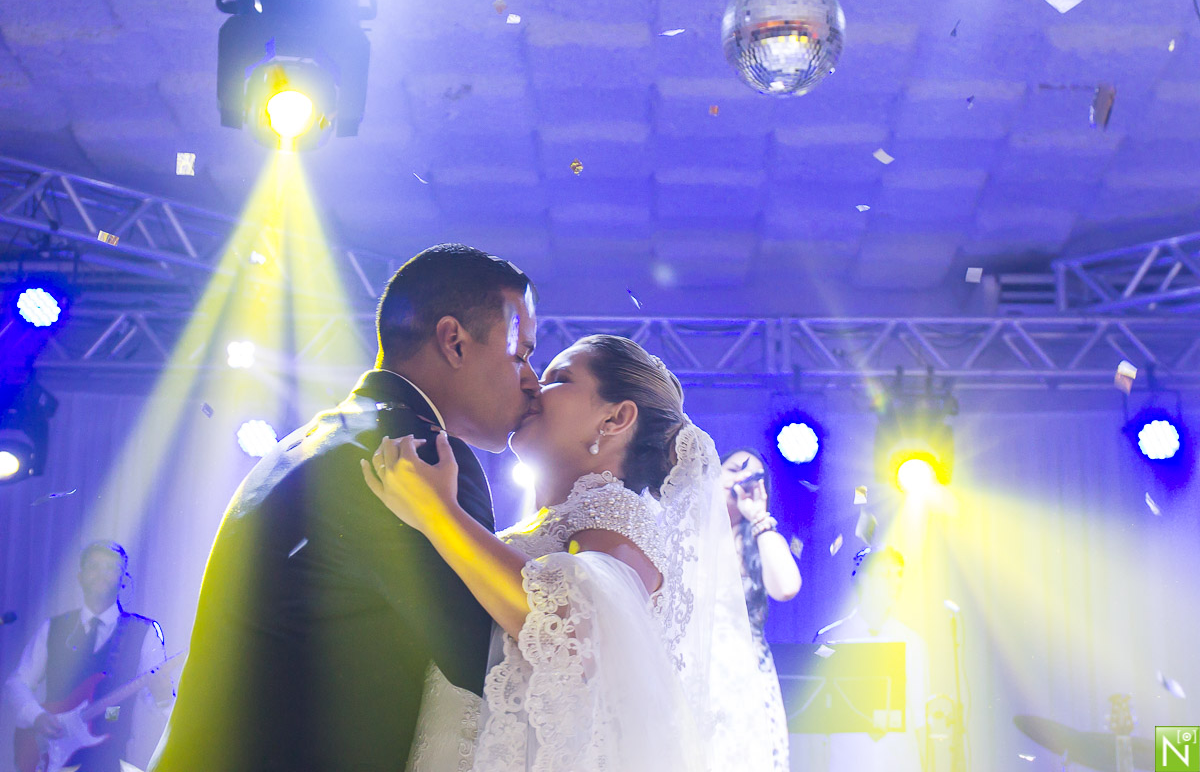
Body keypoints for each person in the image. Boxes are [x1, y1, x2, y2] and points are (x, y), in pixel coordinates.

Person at [149, 245, 540, 771]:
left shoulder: (313, 439)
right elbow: (490, 662)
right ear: (454, 341)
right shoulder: (415, 453)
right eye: (521, 355)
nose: (532, 381)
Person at [364, 335, 778, 771]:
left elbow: (571, 620)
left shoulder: (619, 519)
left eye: (558, 379)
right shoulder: (554, 521)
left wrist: (439, 513)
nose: (532, 388)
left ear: (615, 418)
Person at [5, 541, 174, 772]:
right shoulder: (53, 628)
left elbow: (160, 704)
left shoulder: (144, 632)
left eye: (110, 568)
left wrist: (164, 696)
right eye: (93, 567)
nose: (101, 574)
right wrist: (37, 716)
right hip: (52, 761)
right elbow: (17, 683)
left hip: (109, 762)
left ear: (124, 579)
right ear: (80, 576)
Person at [718, 449, 801, 771]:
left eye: (752, 478)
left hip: (747, 675)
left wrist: (758, 519)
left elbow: (786, 588)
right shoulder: (684, 531)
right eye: (735, 469)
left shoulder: (760, 538)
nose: (741, 479)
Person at [813, 547, 929, 772]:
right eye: (886, 574)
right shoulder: (831, 639)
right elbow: (817, 721)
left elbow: (921, 721)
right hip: (847, 764)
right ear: (864, 579)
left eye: (899, 575)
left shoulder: (913, 644)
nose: (895, 583)